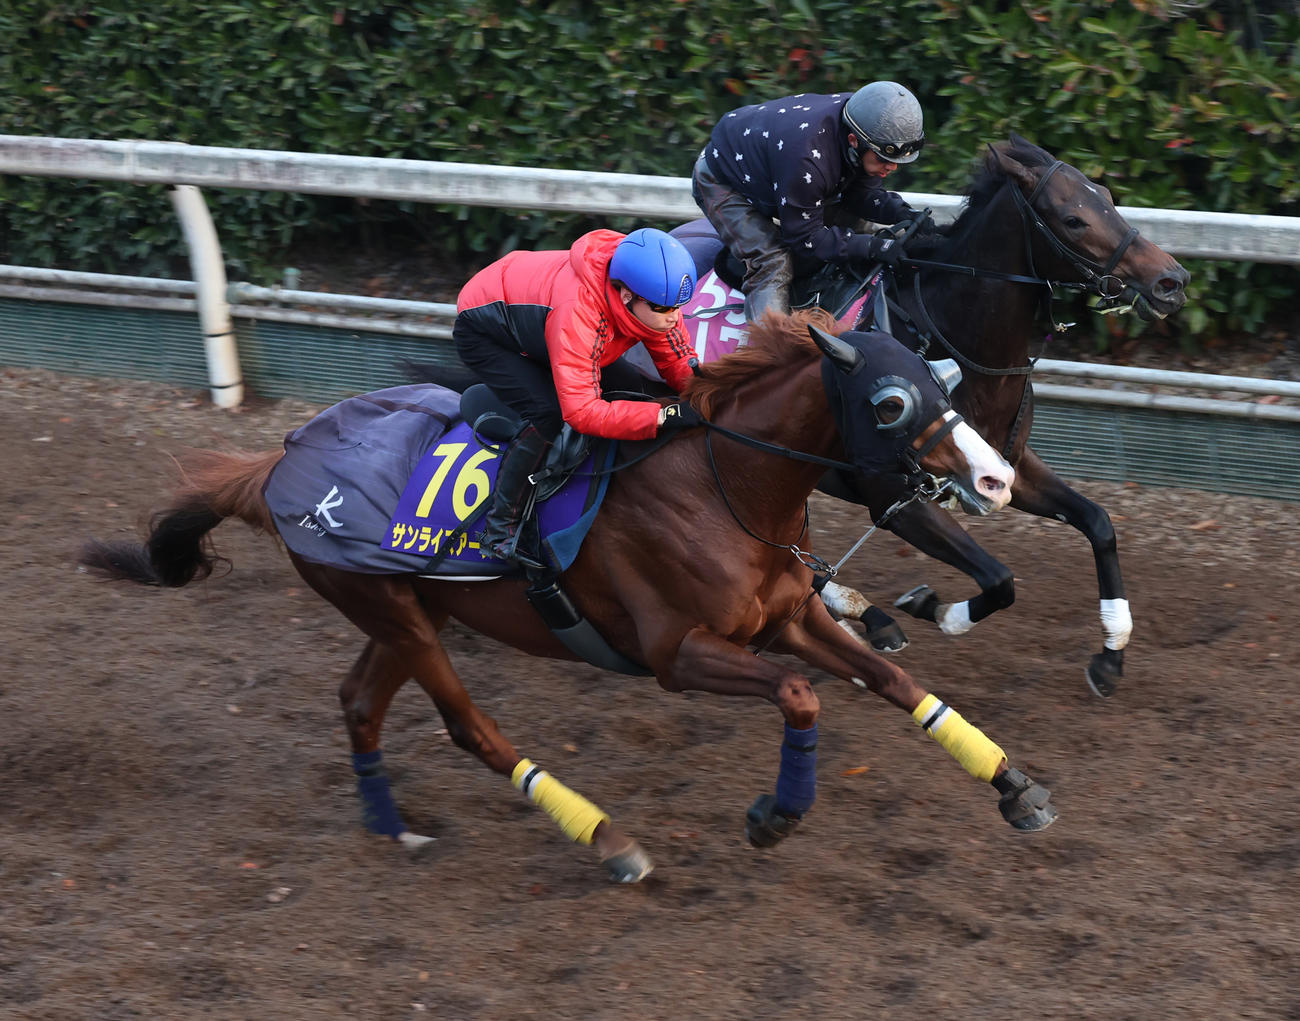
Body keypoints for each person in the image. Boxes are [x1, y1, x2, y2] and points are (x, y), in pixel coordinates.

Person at [454, 226, 705, 567]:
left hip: (545, 321)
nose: (675, 317)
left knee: (635, 390)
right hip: (488, 331)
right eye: (664, 309)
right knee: (549, 414)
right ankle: (502, 529)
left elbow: (677, 359)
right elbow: (582, 411)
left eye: (679, 306)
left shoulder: (649, 293)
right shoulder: (581, 312)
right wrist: (662, 417)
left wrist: (710, 394)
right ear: (627, 295)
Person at [691, 81, 925, 322]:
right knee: (772, 260)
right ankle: (771, 351)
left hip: (783, 169)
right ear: (854, 140)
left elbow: (861, 194)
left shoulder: (867, 117)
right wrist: (872, 247)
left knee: (857, 228)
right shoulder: (807, 160)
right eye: (883, 158)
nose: (893, 167)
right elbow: (805, 239)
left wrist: (903, 213)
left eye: (897, 160)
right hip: (721, 179)